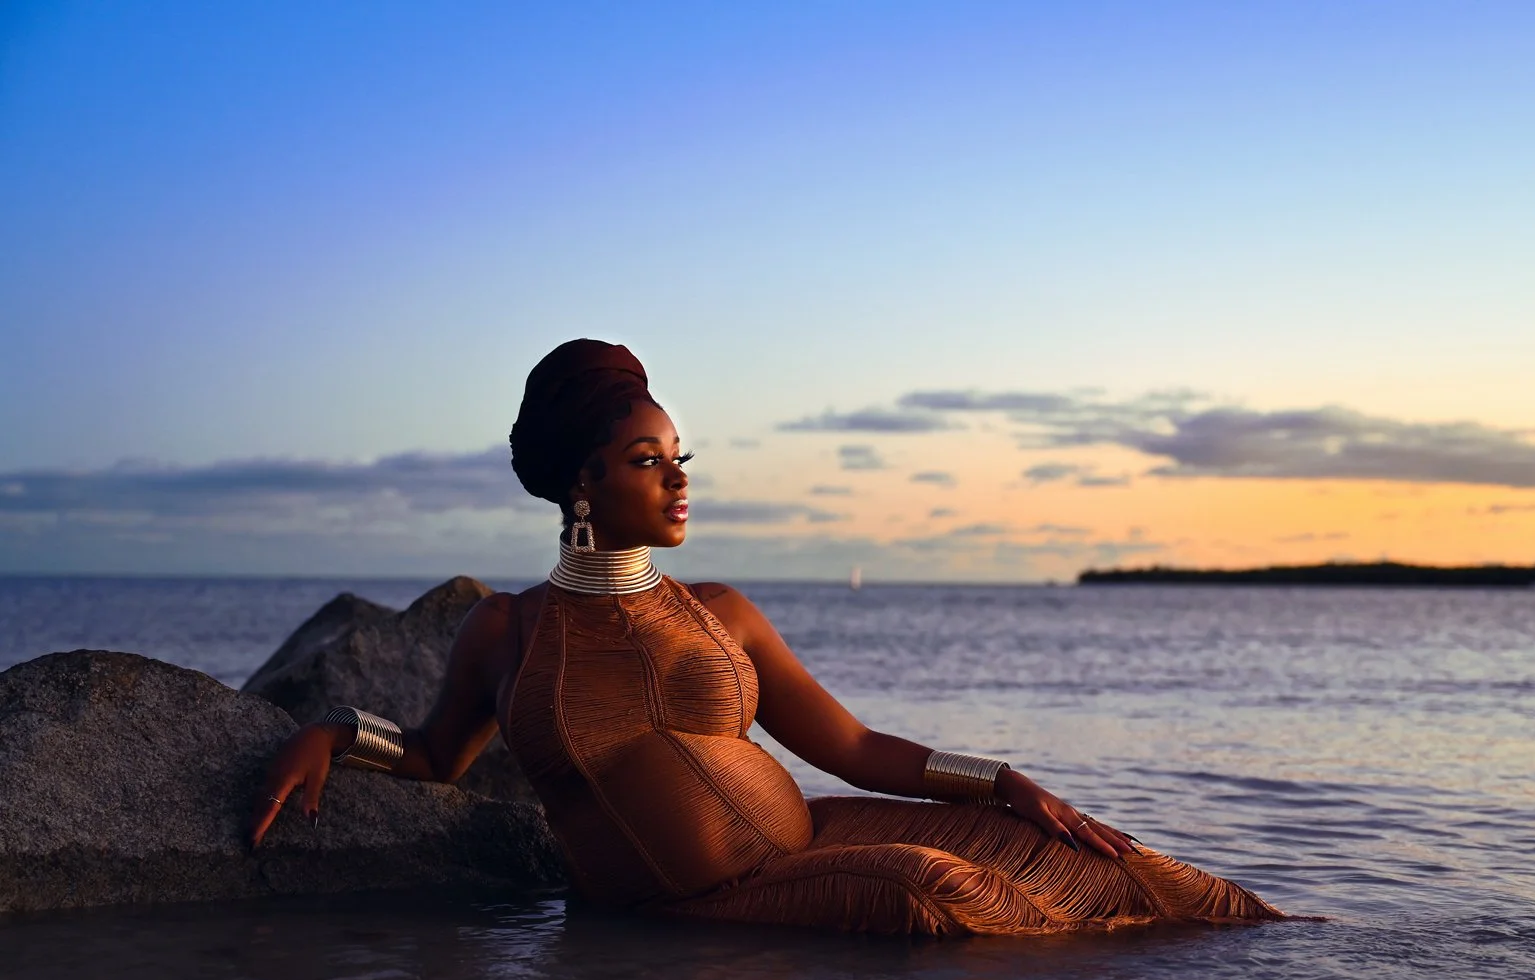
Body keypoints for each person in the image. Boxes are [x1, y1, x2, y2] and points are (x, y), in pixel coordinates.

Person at [250, 339, 1285, 935]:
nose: (678, 476)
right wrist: (336, 731)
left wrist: (1004, 777)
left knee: (1134, 871)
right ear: (582, 481)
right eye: (647, 458)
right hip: (693, 900)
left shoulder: (722, 608)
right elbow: (439, 755)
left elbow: (847, 746)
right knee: (941, 893)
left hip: (807, 833)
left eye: (679, 454)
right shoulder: (507, 627)